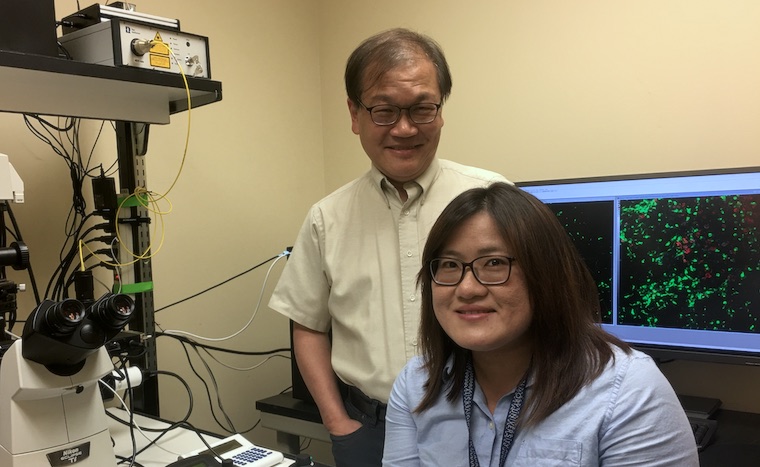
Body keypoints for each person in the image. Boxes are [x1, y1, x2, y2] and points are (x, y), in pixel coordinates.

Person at [268, 28, 507, 466]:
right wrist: (338, 422)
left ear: (440, 111)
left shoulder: (494, 199)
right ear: (354, 114)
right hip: (368, 430)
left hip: (484, 425)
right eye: (383, 110)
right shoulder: (327, 218)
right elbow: (308, 326)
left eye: (422, 108)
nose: (404, 128)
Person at [383, 182, 700, 467]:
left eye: (494, 263)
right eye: (450, 265)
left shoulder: (629, 391)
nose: (467, 289)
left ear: (545, 274)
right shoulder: (416, 385)